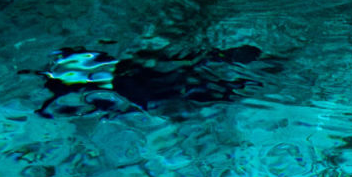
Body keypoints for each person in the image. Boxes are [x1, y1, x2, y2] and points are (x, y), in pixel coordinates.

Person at [28, 44, 277, 117]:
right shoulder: (123, 77)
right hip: (146, 81)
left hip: (147, 85)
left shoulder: (122, 89)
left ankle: (229, 71)